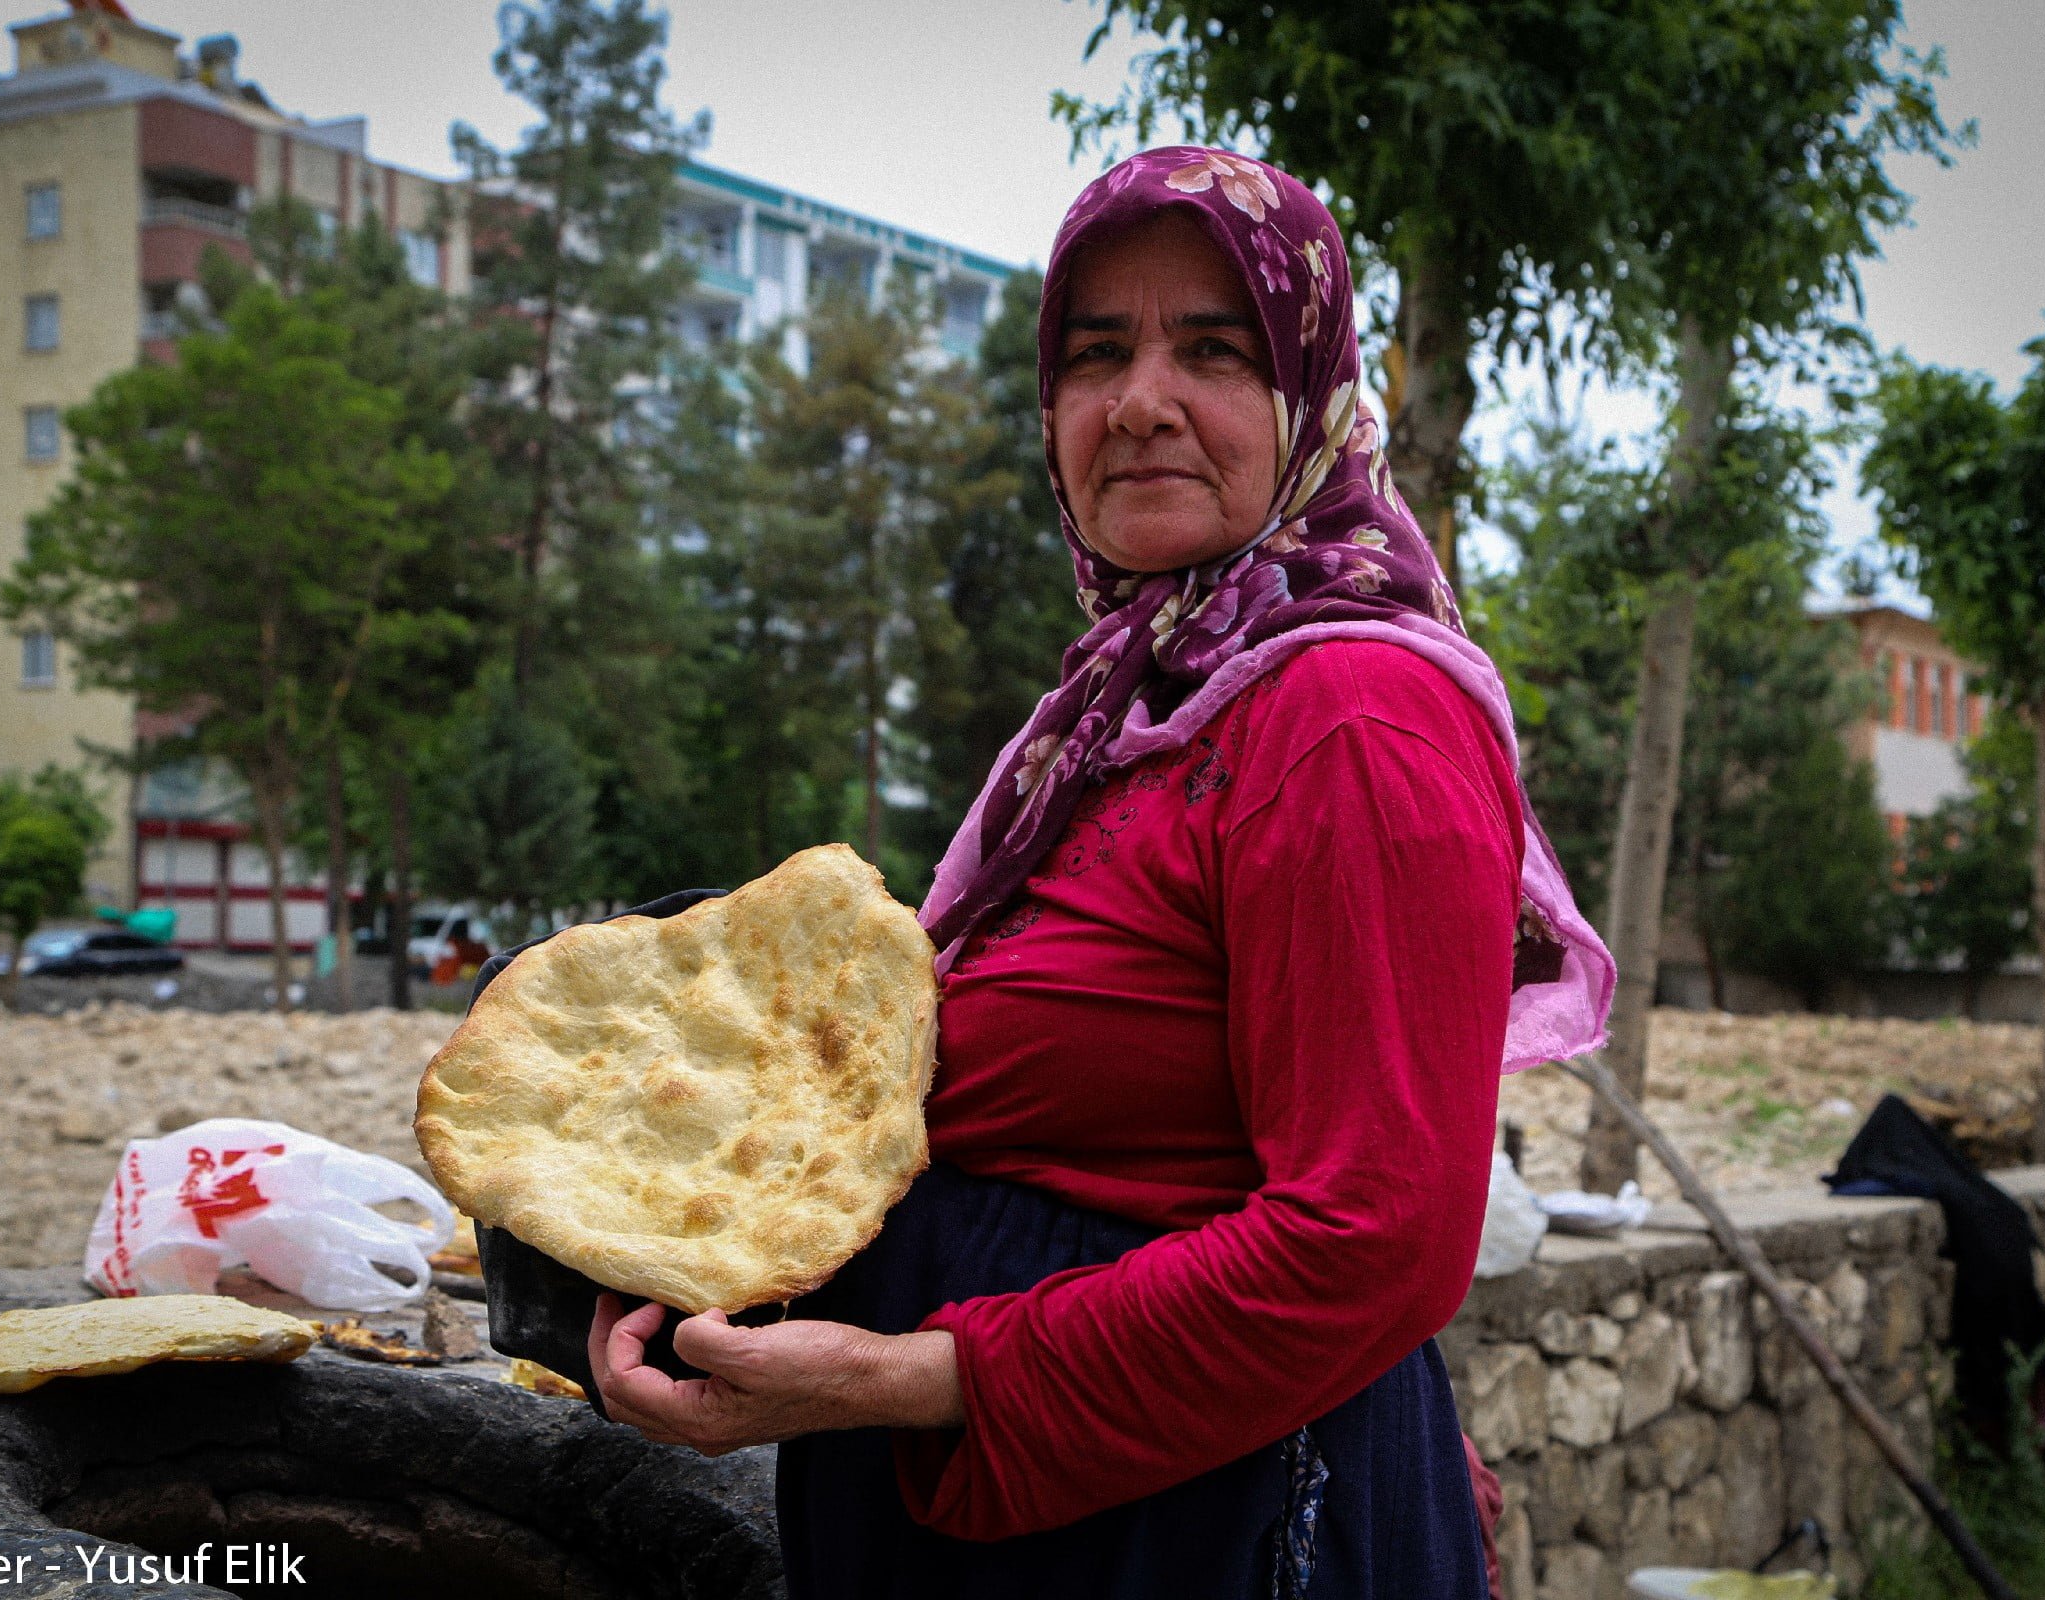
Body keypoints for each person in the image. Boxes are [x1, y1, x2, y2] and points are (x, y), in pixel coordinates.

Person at [584, 146, 1614, 1598]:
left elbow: (1372, 1241)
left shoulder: (1350, 720)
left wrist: (905, 1379)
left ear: (1311, 398)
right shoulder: (1134, 704)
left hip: (1210, 1530)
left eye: (1212, 350)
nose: (1139, 403)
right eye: (1094, 354)